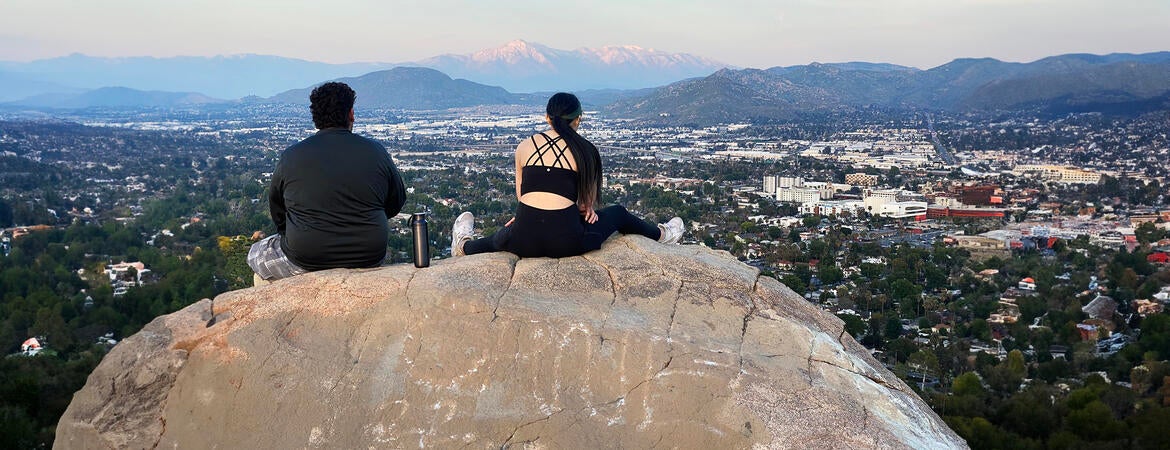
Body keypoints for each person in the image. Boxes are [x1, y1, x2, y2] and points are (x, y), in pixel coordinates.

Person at [451, 92, 683, 258]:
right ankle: (664, 235)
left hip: (524, 240)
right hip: (566, 243)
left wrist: (526, 219)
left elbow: (523, 197)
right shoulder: (586, 151)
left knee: (500, 237)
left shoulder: (524, 146)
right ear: (578, 119)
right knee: (619, 214)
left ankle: (463, 246)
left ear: (547, 117)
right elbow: (586, 205)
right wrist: (581, 209)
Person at [248, 82, 406, 282]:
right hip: (368, 255)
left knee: (255, 253)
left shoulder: (292, 156)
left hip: (306, 255)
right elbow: (395, 202)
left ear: (315, 119)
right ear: (351, 114)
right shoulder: (376, 152)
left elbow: (278, 211)